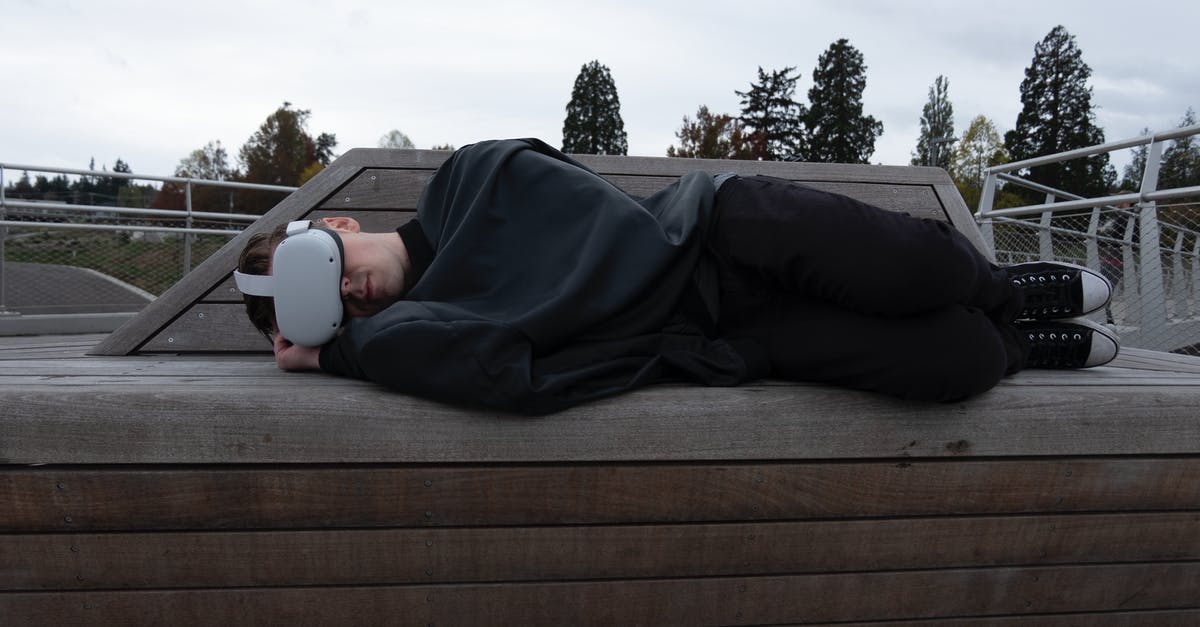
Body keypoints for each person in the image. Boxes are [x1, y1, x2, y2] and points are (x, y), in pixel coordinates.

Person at [237, 138, 1118, 414]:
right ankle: (1016, 344)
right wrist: (337, 354)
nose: (352, 293)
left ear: (340, 227)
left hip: (718, 234)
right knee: (958, 362)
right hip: (720, 333)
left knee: (917, 267)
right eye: (331, 309)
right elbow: (502, 377)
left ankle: (1012, 292)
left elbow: (597, 225)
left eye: (329, 270)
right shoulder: (420, 332)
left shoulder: (470, 179)